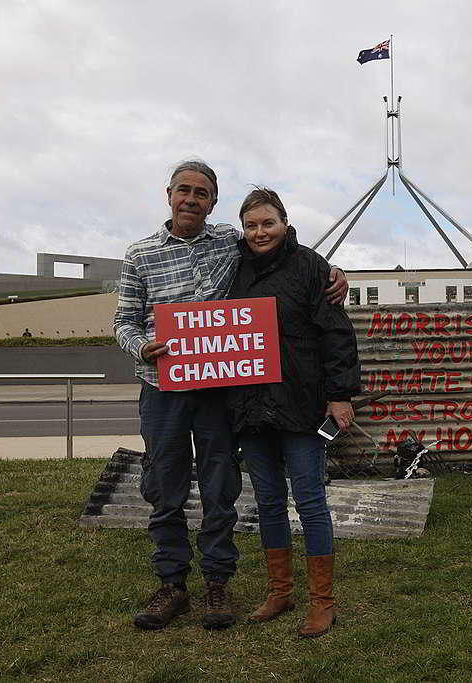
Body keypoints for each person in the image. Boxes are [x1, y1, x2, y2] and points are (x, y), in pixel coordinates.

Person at [113, 161, 348, 631]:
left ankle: (218, 583)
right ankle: (172, 585)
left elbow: (285, 253)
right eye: (185, 191)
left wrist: (332, 271)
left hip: (221, 391)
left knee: (222, 488)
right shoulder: (140, 255)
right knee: (165, 487)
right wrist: (140, 345)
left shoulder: (229, 243)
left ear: (213, 204)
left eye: (202, 194)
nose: (192, 200)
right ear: (169, 195)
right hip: (164, 388)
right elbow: (123, 321)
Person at [227, 187, 360, 638]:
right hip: (249, 406)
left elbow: (336, 335)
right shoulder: (232, 267)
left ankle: (323, 601)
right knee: (267, 503)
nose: (259, 232)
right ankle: (279, 591)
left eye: (268, 223)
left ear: (285, 224)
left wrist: (340, 394)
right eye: (251, 225)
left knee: (310, 502)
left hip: (301, 405)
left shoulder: (311, 267)